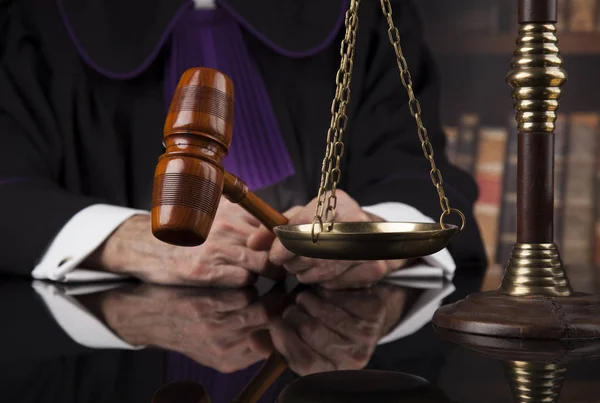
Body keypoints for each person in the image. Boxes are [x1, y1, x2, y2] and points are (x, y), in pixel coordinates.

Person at [0, 0, 486, 288]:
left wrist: (373, 237)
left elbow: (419, 177)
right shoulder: (30, 18)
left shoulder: (364, 11)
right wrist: (121, 239)